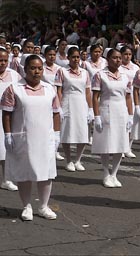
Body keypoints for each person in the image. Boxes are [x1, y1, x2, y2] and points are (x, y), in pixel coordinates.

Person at [1, 54, 61, 221]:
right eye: (33, 68)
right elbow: (7, 113)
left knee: (46, 173)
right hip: (24, 138)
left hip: (45, 138)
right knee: (25, 172)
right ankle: (26, 206)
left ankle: (43, 206)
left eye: (40, 68)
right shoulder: (14, 89)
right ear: (25, 69)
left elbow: (56, 113)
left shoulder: (50, 89)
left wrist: (56, 134)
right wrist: (8, 134)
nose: (37, 71)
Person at [92, 48, 133, 188]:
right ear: (108, 59)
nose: (118, 60)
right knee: (106, 143)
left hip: (121, 111)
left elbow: (128, 96)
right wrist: (96, 115)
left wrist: (130, 115)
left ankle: (114, 174)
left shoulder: (125, 76)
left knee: (120, 143)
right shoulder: (100, 75)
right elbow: (95, 97)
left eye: (119, 58)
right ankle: (105, 173)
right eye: (114, 58)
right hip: (106, 109)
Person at [55, 46, 93, 172]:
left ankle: (78, 160)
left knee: (82, 132)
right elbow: (59, 91)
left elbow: (88, 92)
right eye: (73, 57)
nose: (76, 59)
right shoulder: (62, 71)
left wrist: (90, 108)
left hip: (81, 103)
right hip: (68, 102)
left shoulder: (85, 73)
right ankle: (68, 160)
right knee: (67, 131)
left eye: (78, 57)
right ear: (68, 58)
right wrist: (59, 107)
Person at [0, 48, 21, 191]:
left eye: (5, 60)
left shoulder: (14, 75)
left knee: (5, 148)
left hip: (7, 115)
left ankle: (6, 178)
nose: (2, 63)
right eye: (0, 60)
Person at [41, 46, 64, 161]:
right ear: (45, 55)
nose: (52, 57)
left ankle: (55, 150)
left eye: (54, 55)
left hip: (55, 99)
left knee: (55, 125)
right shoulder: (41, 67)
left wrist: (60, 103)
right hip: (43, 98)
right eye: (49, 55)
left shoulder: (59, 69)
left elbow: (60, 87)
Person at [119, 45, 140, 158]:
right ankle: (120, 147)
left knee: (132, 123)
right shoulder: (118, 67)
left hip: (133, 96)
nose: (127, 57)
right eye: (125, 54)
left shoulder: (135, 68)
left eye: (129, 54)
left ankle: (128, 147)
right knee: (122, 122)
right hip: (121, 97)